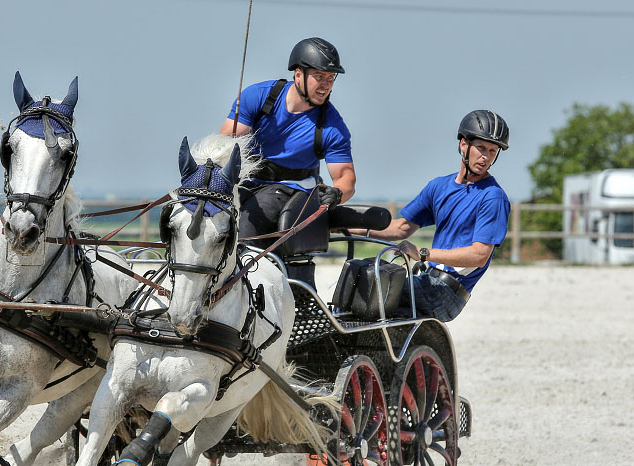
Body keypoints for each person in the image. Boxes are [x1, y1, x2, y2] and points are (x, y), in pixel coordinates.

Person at [357, 110, 511, 322]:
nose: (485, 157)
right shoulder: (439, 187)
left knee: (374, 283)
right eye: (481, 148)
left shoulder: (493, 197)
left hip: (446, 292)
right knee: (360, 271)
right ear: (463, 145)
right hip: (426, 280)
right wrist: (347, 227)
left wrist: (422, 253)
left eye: (492, 151)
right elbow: (401, 228)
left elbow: (479, 255)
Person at [219, 37, 356, 246]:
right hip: (246, 182)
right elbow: (225, 144)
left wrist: (336, 194)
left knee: (246, 226)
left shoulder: (333, 127)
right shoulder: (258, 96)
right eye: (319, 76)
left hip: (289, 189)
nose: (326, 85)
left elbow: (346, 179)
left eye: (331, 77)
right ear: (298, 74)